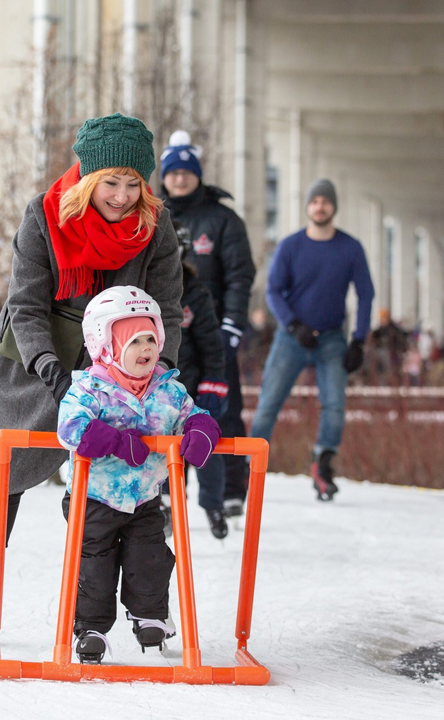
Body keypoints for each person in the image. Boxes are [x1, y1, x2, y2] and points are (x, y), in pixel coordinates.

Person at [0, 113, 183, 640]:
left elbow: (168, 311)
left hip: (120, 356)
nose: (120, 196)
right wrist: (49, 368)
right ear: (88, 178)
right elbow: (24, 304)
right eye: (109, 183)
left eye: (132, 183)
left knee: (122, 465)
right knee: (8, 459)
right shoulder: (45, 217)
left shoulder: (155, 229)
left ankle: (136, 601)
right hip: (38, 346)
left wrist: (154, 373)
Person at [55, 286, 221, 663]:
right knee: (93, 567)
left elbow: (196, 415)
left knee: (149, 558)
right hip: (92, 500)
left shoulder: (168, 390)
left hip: (145, 498)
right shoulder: (90, 388)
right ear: (107, 345)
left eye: (150, 338)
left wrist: (200, 431)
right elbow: (70, 426)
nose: (146, 348)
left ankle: (149, 616)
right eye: (133, 341)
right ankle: (90, 629)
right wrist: (113, 441)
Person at [249, 179, 374, 502]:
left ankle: (323, 465)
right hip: (292, 338)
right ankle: (250, 468)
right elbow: (274, 291)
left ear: (334, 207)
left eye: (325, 201)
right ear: (307, 206)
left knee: (334, 405)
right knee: (267, 406)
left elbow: (366, 294)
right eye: (315, 201)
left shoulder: (350, 248)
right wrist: (292, 324)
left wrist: (359, 340)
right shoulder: (291, 246)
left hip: (332, 339)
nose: (320, 206)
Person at [160, 130, 256, 520]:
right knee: (164, 414)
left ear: (198, 174)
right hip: (165, 337)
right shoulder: (151, 212)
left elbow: (240, 275)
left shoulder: (222, 219)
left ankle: (232, 491)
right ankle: (166, 494)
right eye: (173, 171)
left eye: (187, 171)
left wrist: (232, 324)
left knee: (224, 410)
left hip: (214, 336)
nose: (180, 178)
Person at [168, 222, 230, 538]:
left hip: (193, 387)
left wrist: (212, 384)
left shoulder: (194, 292)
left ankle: (213, 505)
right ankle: (165, 503)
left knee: (206, 447)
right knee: (162, 450)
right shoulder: (141, 285)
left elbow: (211, 344)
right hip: (158, 391)